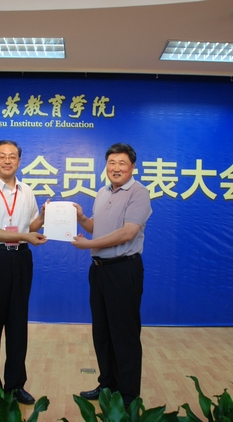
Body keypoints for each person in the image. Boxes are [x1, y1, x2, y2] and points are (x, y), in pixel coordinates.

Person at [71, 143, 152, 408]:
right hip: (99, 271)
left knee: (124, 334)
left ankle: (128, 396)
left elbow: (128, 233)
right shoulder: (102, 192)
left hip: (123, 270)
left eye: (122, 163)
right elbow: (96, 227)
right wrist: (82, 217)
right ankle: (107, 385)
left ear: (132, 167)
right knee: (102, 332)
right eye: (111, 163)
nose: (116, 168)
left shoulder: (139, 193)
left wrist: (89, 245)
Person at [0, 140, 48, 405]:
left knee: (18, 324)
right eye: (2, 156)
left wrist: (44, 217)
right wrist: (25, 235)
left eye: (12, 156)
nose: (7, 160)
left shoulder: (27, 191)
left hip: (21, 259)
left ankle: (15, 386)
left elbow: (31, 225)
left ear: (19, 161)